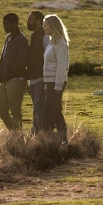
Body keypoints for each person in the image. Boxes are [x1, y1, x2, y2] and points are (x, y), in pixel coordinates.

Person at [0, 12, 29, 132]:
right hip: (5, 79)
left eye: (6, 24)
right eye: (3, 24)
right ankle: (17, 134)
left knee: (15, 110)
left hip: (15, 79)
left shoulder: (21, 39)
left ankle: (19, 139)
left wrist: (10, 69)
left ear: (14, 24)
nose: (4, 26)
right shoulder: (8, 38)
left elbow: (23, 60)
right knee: (1, 110)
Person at [41, 13, 70, 143]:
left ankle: (61, 139)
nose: (44, 27)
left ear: (52, 26)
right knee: (51, 110)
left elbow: (61, 66)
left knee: (53, 110)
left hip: (56, 82)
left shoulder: (61, 44)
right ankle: (53, 140)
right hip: (49, 81)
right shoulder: (51, 43)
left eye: (45, 25)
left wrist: (58, 85)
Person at [26, 11, 48, 134]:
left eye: (31, 19)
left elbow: (48, 58)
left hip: (41, 77)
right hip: (33, 77)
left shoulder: (44, 36)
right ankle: (41, 133)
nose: (28, 21)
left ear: (39, 21)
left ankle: (35, 134)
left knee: (38, 108)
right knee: (37, 107)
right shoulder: (34, 36)